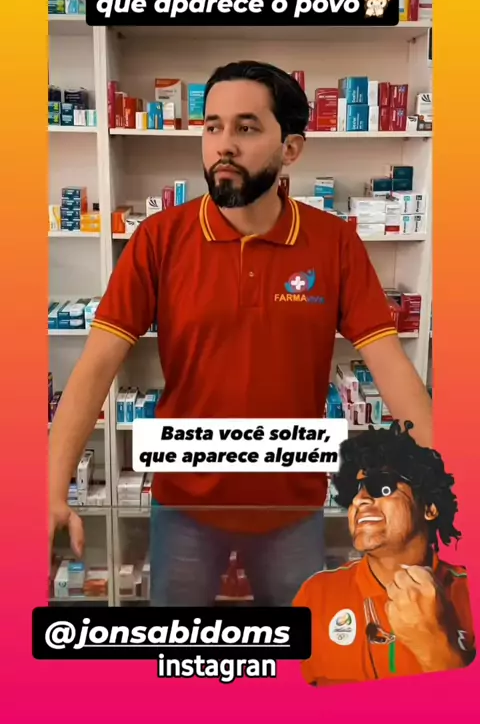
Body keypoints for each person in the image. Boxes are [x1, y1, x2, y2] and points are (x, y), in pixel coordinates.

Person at [49, 60, 433, 606]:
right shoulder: (159, 239)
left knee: (301, 647)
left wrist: (443, 483)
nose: (223, 144)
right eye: (213, 126)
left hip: (291, 505)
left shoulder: (334, 243)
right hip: (183, 502)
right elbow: (94, 368)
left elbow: (392, 367)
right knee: (178, 648)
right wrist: (51, 486)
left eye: (246, 128)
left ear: (291, 148)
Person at [293, 422, 475, 684]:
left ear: (429, 508)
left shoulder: (469, 593)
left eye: (382, 486)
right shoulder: (316, 595)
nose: (360, 500)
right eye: (353, 493)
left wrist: (435, 643)